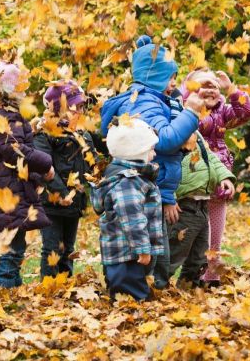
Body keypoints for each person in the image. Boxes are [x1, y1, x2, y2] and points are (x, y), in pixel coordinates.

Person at [100, 35, 204, 288]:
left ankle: (153, 291)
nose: (174, 84)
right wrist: (191, 112)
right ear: (154, 75)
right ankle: (143, 291)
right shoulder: (144, 101)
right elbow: (164, 141)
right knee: (152, 254)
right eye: (170, 77)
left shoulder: (152, 99)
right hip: (144, 189)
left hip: (155, 187)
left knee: (159, 253)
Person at [0, 61, 55, 288]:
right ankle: (0, 287)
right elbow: (11, 148)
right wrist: (45, 164)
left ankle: (13, 287)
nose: (25, 92)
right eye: (21, 87)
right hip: (8, 183)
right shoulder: (8, 114)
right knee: (14, 247)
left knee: (14, 240)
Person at [182, 69, 250, 285]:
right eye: (203, 86)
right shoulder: (187, 111)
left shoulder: (223, 111)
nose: (210, 90)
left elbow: (247, 111)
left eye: (213, 86)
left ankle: (212, 277)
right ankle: (191, 274)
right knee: (194, 234)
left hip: (218, 181)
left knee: (215, 234)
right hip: (195, 182)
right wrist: (190, 98)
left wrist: (231, 89)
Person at [91, 118, 165, 300]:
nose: (154, 154)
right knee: (132, 298)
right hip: (126, 253)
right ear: (137, 151)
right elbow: (132, 220)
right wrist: (142, 248)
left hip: (127, 252)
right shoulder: (128, 182)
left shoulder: (135, 178)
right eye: (151, 149)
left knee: (128, 292)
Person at [33, 80, 95, 278]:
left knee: (68, 248)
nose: (80, 111)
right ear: (59, 108)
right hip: (52, 201)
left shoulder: (82, 133)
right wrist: (62, 193)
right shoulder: (45, 133)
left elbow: (92, 162)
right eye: (75, 107)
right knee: (52, 248)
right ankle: (49, 285)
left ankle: (65, 283)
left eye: (82, 106)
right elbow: (43, 166)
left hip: (74, 201)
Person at [168, 133, 235, 288]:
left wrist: (224, 177)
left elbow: (211, 157)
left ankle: (188, 288)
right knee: (176, 253)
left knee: (200, 256)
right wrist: (169, 197)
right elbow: (166, 167)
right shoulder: (173, 132)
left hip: (203, 206)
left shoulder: (196, 134)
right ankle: (157, 287)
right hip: (184, 205)